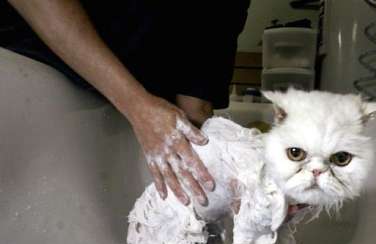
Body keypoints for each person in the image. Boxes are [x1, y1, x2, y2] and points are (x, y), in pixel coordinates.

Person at [0, 0, 251, 206]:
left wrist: (216, 174)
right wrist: (137, 105)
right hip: (27, 83)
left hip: (135, 113)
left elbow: (196, 102)